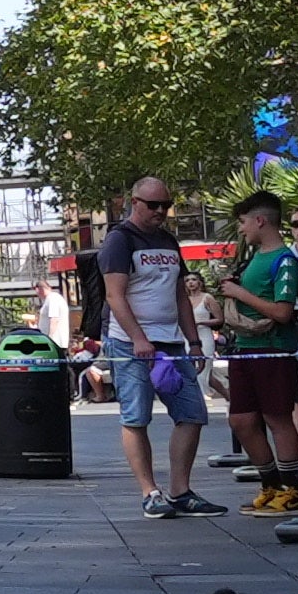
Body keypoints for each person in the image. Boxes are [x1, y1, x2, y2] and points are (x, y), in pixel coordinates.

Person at [87, 176, 217, 520]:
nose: (161, 211)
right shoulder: (120, 240)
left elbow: (180, 295)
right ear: (135, 202)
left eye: (166, 205)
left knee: (192, 413)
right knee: (136, 416)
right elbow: (115, 295)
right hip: (130, 343)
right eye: (153, 205)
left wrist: (192, 341)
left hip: (172, 341)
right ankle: (150, 492)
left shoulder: (168, 241)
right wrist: (139, 338)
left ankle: (180, 490)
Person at [212, 191, 298, 513]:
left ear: (261, 220)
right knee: (242, 419)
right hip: (244, 348)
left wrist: (240, 293)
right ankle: (270, 482)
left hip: (273, 348)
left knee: (277, 417)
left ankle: (291, 489)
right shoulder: (254, 257)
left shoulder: (284, 261)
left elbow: (282, 312)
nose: (242, 229)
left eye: (244, 222)